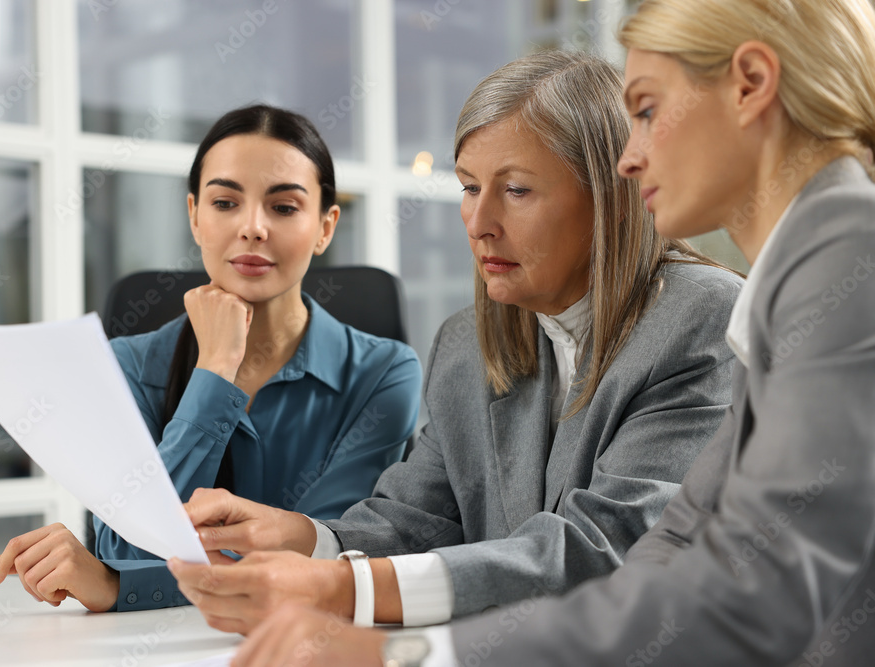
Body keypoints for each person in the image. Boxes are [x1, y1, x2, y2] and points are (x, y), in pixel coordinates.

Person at [222, 0, 875, 664]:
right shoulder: (807, 268)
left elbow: (733, 587)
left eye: (646, 111)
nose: (631, 158)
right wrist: (313, 548)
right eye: (469, 188)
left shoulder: (843, 253)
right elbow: (667, 558)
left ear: (751, 84)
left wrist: (403, 654)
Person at [166, 50, 744, 636]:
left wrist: (342, 588)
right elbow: (418, 518)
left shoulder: (701, 318)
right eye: (469, 187)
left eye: (516, 190)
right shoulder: (466, 342)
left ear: (609, 196)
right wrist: (301, 536)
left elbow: (603, 550)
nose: (478, 221)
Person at [0, 105, 423, 613]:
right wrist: (215, 368)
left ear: (325, 227)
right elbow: (126, 545)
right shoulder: (126, 364)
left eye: (283, 207)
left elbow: (330, 559)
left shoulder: (384, 373)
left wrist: (118, 585)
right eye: (225, 202)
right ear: (195, 215)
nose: (253, 227)